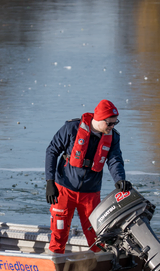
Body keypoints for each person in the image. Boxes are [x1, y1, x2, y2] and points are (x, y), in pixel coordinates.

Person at [44, 99, 131, 254]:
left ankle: (101, 268)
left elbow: (114, 160)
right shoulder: (71, 128)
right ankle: (56, 265)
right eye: (109, 124)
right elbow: (52, 151)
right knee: (59, 232)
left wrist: (120, 180)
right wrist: (50, 182)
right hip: (64, 188)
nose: (112, 127)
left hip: (91, 192)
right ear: (99, 119)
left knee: (97, 235)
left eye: (114, 123)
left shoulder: (113, 137)